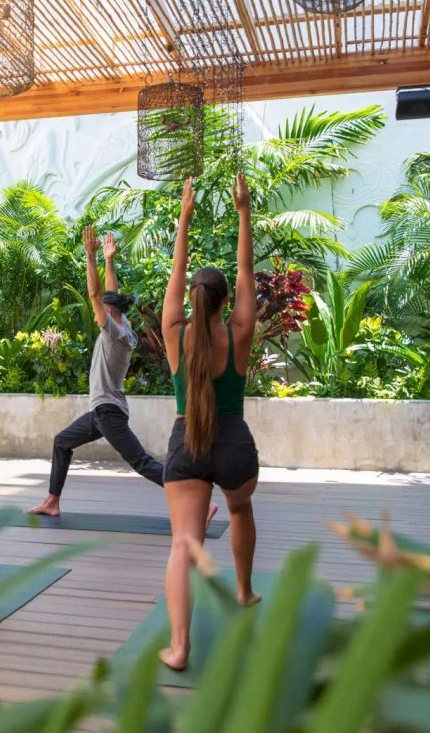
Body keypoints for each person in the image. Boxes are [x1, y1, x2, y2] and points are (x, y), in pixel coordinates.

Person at [159, 174, 260, 671]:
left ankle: (179, 646)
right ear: (223, 303)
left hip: (187, 444)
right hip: (234, 444)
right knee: (239, 511)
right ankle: (243, 591)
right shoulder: (239, 334)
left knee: (184, 542)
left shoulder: (175, 334)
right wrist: (243, 211)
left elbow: (177, 271)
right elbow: (246, 268)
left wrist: (184, 216)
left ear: (193, 300)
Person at [29, 226, 167, 517]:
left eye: (103, 307)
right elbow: (108, 294)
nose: (98, 309)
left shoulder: (114, 332)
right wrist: (108, 260)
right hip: (101, 411)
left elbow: (94, 293)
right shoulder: (124, 326)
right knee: (62, 442)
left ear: (109, 312)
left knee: (141, 462)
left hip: (108, 413)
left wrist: (90, 256)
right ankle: (52, 500)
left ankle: (197, 497)